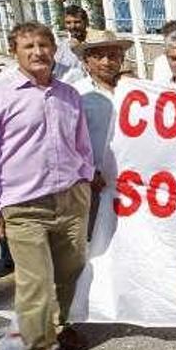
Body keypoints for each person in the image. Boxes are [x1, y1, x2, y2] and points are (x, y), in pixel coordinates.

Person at [0, 22, 95, 350]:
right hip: (24, 206)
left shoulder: (69, 95)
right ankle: (38, 348)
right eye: (28, 47)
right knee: (35, 281)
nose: (37, 52)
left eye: (43, 45)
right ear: (15, 52)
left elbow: (82, 142)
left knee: (70, 271)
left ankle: (60, 325)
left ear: (54, 50)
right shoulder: (1, 94)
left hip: (70, 198)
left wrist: (84, 177)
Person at [72, 31, 133, 237]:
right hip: (95, 184)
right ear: (86, 61)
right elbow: (67, 142)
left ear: (121, 60)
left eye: (113, 56)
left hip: (131, 182)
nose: (107, 62)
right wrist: (88, 172)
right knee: (95, 239)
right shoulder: (76, 95)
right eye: (99, 56)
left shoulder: (135, 92)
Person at [54, 5, 100, 84]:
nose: (73, 26)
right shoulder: (61, 47)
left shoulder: (96, 43)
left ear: (85, 22)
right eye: (68, 23)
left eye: (77, 22)